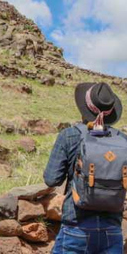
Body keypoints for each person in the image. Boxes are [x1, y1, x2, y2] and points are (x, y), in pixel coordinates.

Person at [45, 82, 125, 254]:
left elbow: (51, 179)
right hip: (112, 230)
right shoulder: (123, 141)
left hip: (76, 226)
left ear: (84, 109)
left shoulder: (70, 135)